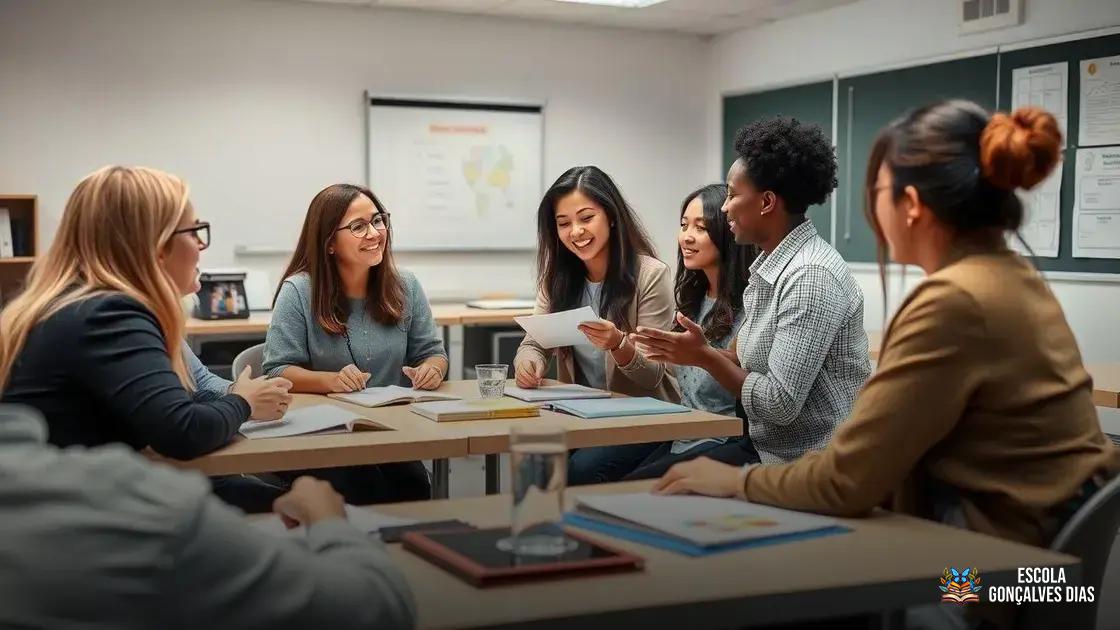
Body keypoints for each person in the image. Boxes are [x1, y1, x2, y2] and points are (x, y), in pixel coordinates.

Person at [654, 102, 1120, 629]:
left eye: (876, 195)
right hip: (1048, 575)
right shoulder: (1010, 277)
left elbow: (847, 481)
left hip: (992, 582)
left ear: (912, 205)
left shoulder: (954, 301)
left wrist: (735, 483)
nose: (872, 215)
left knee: (787, 585)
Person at [0, 404, 415, 630]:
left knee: (404, 475)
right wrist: (328, 520)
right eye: (193, 237)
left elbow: (204, 387)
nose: (200, 245)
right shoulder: (142, 507)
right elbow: (375, 609)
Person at [0, 165, 290, 462]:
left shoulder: (77, 304)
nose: (201, 247)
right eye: (194, 232)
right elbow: (183, 432)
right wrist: (243, 402)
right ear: (158, 245)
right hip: (82, 502)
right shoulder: (109, 314)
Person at [632, 117, 871, 464]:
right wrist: (697, 350)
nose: (725, 207)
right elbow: (754, 363)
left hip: (802, 461)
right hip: (762, 448)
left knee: (648, 490)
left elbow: (779, 404)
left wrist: (705, 357)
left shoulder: (810, 277)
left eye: (731, 195)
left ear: (766, 202)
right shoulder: (768, 267)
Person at [264, 183, 444, 502]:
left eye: (378, 220)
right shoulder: (299, 291)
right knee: (363, 487)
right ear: (329, 243)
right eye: (358, 227)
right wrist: (330, 380)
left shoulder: (406, 286)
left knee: (414, 486)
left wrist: (431, 369)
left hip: (390, 430)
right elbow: (278, 370)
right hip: (320, 436)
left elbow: (432, 353)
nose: (374, 233)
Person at [513, 166, 680, 485]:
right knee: (532, 462)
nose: (576, 231)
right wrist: (529, 363)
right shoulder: (557, 280)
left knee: (578, 472)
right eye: (564, 223)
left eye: (586, 218)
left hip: (642, 417)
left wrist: (619, 344)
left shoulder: (650, 275)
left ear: (612, 216)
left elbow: (653, 375)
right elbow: (534, 343)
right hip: (580, 416)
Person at [622, 184, 759, 480]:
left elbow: (742, 379)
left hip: (724, 439)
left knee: (632, 485)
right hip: (684, 434)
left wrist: (704, 355)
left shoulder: (751, 306)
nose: (687, 236)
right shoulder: (691, 300)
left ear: (728, 233)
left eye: (701, 228)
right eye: (684, 225)